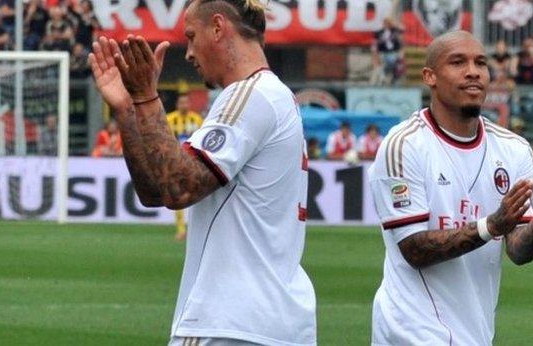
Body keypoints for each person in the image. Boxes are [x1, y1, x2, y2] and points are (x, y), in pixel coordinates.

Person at [87, 0, 316, 345]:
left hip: (228, 322)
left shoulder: (249, 95)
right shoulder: (272, 96)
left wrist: (148, 98)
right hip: (269, 323)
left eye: (192, 36)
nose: (190, 52)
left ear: (219, 27)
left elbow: (179, 188)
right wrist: (126, 109)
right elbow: (155, 192)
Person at [367, 31, 533, 346]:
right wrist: (492, 225)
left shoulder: (514, 149)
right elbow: (413, 249)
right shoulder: (404, 145)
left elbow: (518, 251)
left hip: (475, 334)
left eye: (481, 62)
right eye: (458, 62)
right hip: (410, 332)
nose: (473, 71)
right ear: (430, 77)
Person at [166, 93, 204, 241]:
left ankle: (196, 228)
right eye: (181, 103)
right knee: (178, 194)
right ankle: (181, 229)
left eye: (186, 103)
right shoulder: (169, 120)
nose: (184, 105)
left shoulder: (197, 120)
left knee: (198, 194)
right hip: (176, 161)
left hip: (194, 162)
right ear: (177, 104)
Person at [370, 17, 405, 85]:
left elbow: (403, 29)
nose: (386, 24)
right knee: (382, 66)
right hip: (383, 52)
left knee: (395, 65)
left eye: (388, 23)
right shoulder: (379, 32)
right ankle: (384, 79)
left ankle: (393, 80)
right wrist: (375, 54)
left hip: (394, 52)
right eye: (385, 23)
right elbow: (375, 44)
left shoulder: (395, 31)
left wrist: (395, 24)